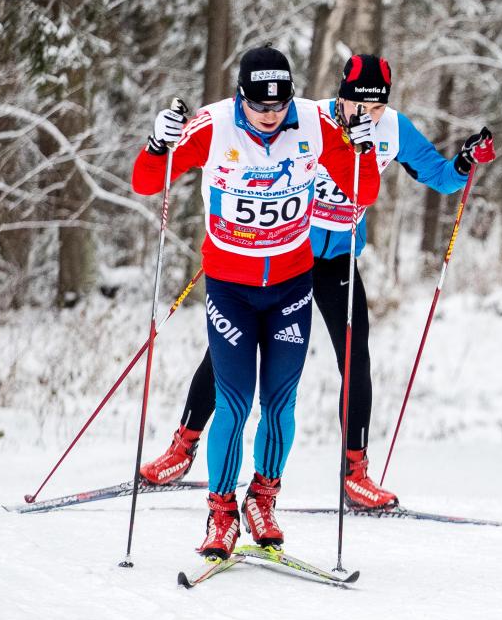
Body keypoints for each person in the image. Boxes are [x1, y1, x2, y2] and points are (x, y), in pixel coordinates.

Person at [139, 54, 497, 510]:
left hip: (339, 259)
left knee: (356, 357)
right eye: (357, 105)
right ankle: (183, 446)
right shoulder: (310, 121)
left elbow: (442, 180)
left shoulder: (393, 130)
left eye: (377, 108)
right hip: (290, 253)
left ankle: (356, 473)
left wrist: (466, 161)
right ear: (340, 96)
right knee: (227, 356)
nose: (366, 116)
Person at [132, 45, 383, 558]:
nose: (270, 118)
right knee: (235, 401)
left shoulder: (314, 123)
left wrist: (359, 151)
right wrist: (159, 145)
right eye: (259, 106)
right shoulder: (212, 126)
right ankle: (221, 512)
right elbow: (145, 182)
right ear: (239, 96)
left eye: (279, 106)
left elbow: (365, 194)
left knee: (280, 403)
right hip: (231, 287)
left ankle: (262, 499)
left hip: (292, 284)